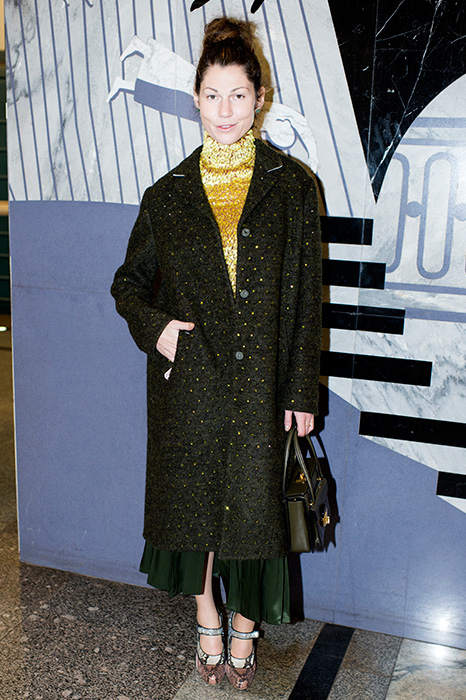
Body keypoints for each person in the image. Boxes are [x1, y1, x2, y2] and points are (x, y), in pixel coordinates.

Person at [111, 17, 322, 691]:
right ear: (195, 99)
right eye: (212, 95)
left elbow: (305, 299)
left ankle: (245, 626)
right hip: (191, 384)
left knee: (254, 515)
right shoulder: (167, 195)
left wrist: (301, 392)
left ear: (259, 97)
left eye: (238, 94)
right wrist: (160, 330)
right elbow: (127, 285)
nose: (225, 110)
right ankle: (207, 616)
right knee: (196, 511)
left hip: (262, 384)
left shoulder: (292, 187)